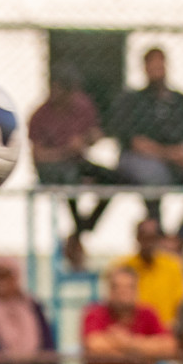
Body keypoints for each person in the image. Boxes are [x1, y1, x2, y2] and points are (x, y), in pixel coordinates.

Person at [109, 47, 183, 244]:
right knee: (154, 175)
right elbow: (135, 143)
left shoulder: (180, 100)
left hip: (180, 159)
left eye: (160, 64)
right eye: (152, 65)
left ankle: (180, 239)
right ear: (144, 68)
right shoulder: (132, 100)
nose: (157, 69)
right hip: (146, 159)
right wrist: (167, 154)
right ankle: (158, 234)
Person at [29, 62, 112, 262]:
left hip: (77, 161)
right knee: (70, 178)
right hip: (52, 167)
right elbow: (38, 157)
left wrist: (84, 141)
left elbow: (96, 134)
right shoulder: (41, 115)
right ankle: (78, 236)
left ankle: (79, 232)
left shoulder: (82, 106)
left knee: (114, 178)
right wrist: (66, 150)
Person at [81, 265, 175, 364]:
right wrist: (142, 355)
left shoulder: (148, 314)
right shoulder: (95, 313)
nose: (122, 292)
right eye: (117, 287)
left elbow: (168, 346)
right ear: (109, 289)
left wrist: (127, 341)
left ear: (136, 289)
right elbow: (95, 346)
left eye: (128, 287)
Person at [119, 216, 183, 329]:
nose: (148, 243)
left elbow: (181, 303)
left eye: (152, 238)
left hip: (166, 331)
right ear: (137, 238)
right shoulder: (123, 266)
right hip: (131, 331)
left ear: (159, 239)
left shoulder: (173, 266)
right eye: (145, 238)